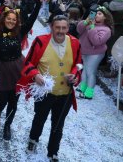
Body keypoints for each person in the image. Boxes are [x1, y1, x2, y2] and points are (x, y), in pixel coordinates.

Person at [18, 15, 82, 162]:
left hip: (64, 93)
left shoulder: (75, 43)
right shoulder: (41, 42)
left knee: (58, 124)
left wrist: (74, 75)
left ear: (68, 28)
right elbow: (28, 64)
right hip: (45, 92)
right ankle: (33, 139)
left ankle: (53, 152)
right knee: (39, 119)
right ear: (51, 27)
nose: (60, 31)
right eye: (57, 27)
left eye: (64, 27)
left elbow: (79, 64)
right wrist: (35, 75)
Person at [0, 0, 43, 141]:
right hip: (2, 69)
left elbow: (32, 20)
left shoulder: (20, 31)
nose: (11, 22)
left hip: (18, 69)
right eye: (9, 19)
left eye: (14, 20)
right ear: (4, 19)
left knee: (14, 101)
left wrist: (38, 3)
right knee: (2, 100)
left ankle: (7, 126)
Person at [76, 6, 113, 99]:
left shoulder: (106, 29)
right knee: (84, 69)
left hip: (95, 53)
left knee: (90, 71)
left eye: (100, 14)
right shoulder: (89, 23)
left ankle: (89, 92)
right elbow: (79, 30)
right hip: (85, 50)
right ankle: (83, 87)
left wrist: (91, 27)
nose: (96, 15)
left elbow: (96, 41)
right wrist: (85, 22)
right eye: (96, 13)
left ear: (105, 17)